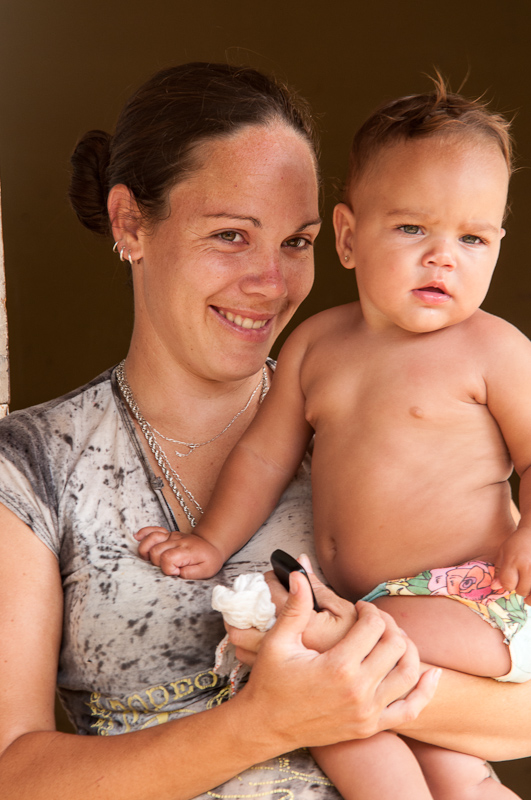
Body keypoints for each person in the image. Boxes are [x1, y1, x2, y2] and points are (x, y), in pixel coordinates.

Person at [0, 61, 446, 800]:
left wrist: (356, 685)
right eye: (232, 236)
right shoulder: (31, 465)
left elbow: (516, 692)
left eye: (296, 242)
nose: (271, 283)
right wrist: (267, 721)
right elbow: (12, 773)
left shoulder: (371, 426)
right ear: (129, 223)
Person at [136, 79, 531, 799]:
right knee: (372, 730)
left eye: (471, 238)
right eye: (413, 230)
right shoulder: (318, 347)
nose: (444, 257)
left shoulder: (494, 351)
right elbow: (263, 456)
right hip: (378, 606)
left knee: (333, 653)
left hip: (470, 600)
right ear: (347, 237)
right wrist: (212, 543)